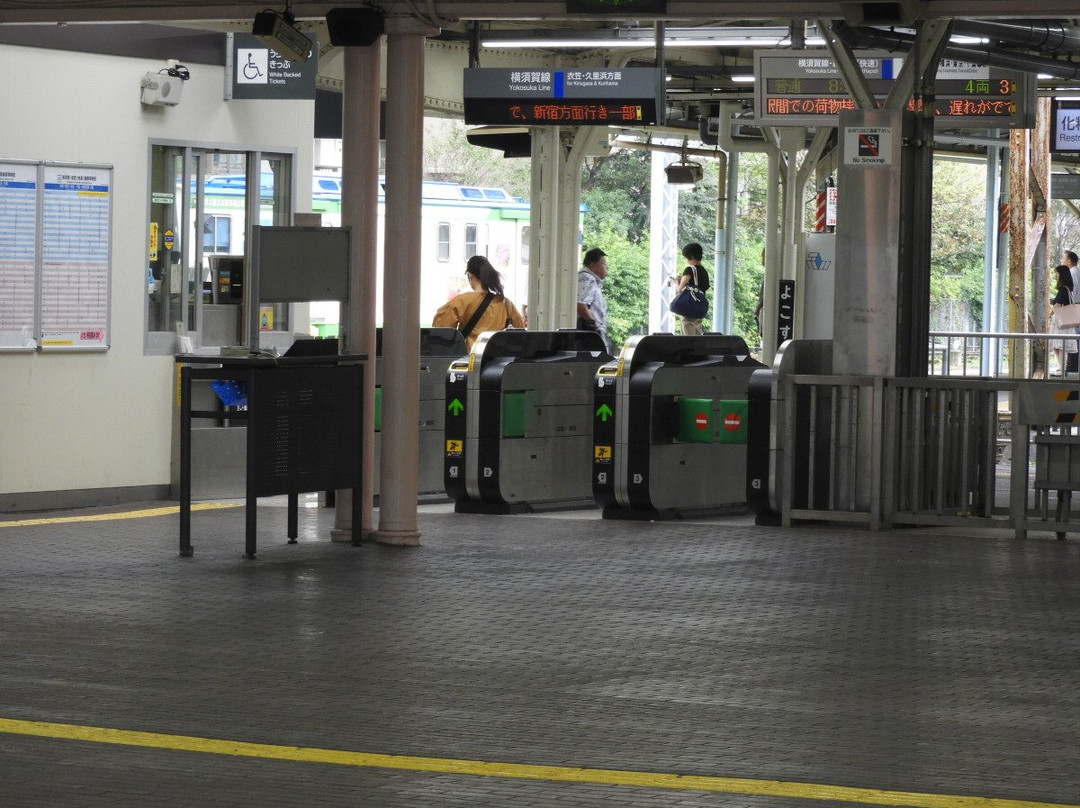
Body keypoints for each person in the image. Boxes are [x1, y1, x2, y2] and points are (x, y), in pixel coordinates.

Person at [432, 255, 525, 350]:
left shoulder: (461, 302)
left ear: (469, 275)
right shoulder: (506, 304)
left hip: (471, 360)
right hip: (496, 360)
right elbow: (522, 332)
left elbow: (441, 330)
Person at [576, 247, 612, 353]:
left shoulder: (589, 279)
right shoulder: (587, 278)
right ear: (593, 265)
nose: (607, 267)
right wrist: (593, 325)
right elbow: (581, 305)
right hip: (589, 335)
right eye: (604, 264)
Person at [670, 242, 711, 335]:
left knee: (687, 329)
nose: (687, 261)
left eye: (687, 258)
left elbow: (680, 289)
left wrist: (678, 282)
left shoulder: (689, 269)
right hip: (700, 306)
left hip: (689, 306)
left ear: (691, 256)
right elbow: (703, 287)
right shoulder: (704, 271)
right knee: (698, 331)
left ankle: (689, 349)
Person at [1050, 264, 1075, 376]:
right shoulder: (1067, 288)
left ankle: (1062, 369)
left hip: (1061, 321)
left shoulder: (1064, 289)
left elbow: (1058, 304)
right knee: (1058, 346)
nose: (1056, 275)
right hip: (1063, 321)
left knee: (1060, 346)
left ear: (1062, 275)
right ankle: (1061, 368)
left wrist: (1050, 313)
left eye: (1058, 273)